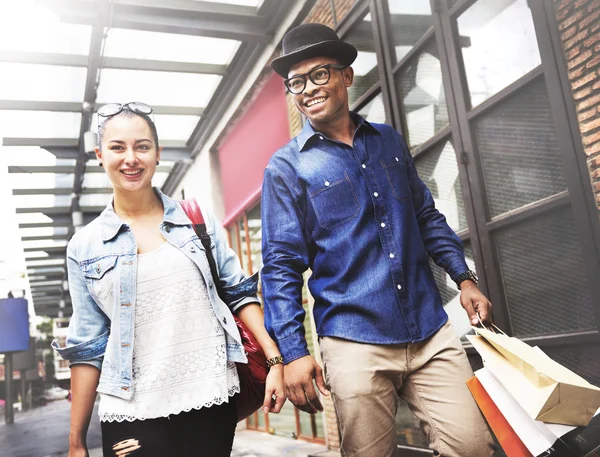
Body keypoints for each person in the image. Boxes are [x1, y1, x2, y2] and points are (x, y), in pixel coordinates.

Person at [261, 24, 495, 457]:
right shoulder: (285, 168)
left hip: (428, 328)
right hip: (354, 340)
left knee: (473, 446)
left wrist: (464, 278)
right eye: (296, 82)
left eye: (319, 74)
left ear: (346, 77)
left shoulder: (387, 140)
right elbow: (280, 267)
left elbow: (424, 215)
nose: (308, 89)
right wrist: (294, 353)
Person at [52, 102, 285, 457]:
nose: (130, 157)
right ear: (100, 155)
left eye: (142, 146)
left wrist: (274, 359)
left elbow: (238, 292)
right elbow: (87, 347)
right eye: (118, 147)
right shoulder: (84, 246)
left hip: (208, 397)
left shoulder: (194, 219)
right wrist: (75, 443)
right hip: (129, 409)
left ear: (157, 154)